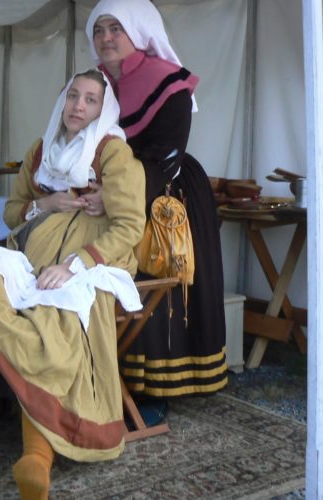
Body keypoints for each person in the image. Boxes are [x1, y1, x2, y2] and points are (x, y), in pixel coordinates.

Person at [0, 70, 145, 500]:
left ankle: (37, 456)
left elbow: (130, 227)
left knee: (53, 316)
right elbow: (11, 214)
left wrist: (76, 264)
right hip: (35, 255)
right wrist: (46, 203)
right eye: (73, 96)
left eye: (91, 100)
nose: (79, 106)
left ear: (104, 109)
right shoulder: (40, 152)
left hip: (94, 259)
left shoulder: (114, 154)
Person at [84, 0, 228, 402]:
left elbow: (166, 154)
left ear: (139, 31)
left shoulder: (168, 81)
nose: (107, 37)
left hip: (165, 195)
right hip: (109, 192)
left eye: (116, 29)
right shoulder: (94, 84)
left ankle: (160, 390)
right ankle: (108, 378)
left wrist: (112, 196)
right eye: (100, 29)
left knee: (154, 285)